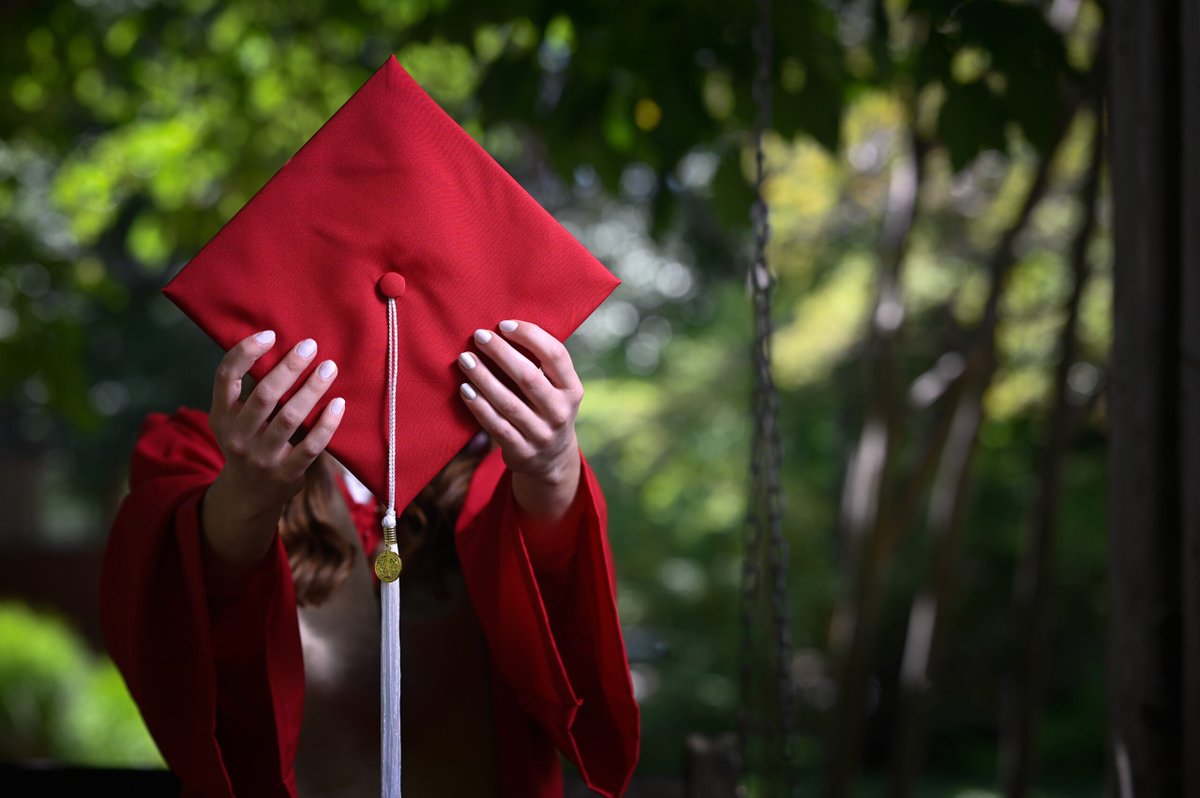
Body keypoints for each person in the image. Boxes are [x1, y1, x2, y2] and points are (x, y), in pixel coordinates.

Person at [101, 321, 641, 797]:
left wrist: (551, 464)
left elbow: (559, 583)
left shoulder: (501, 466)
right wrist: (246, 492)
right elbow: (182, 601)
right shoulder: (213, 449)